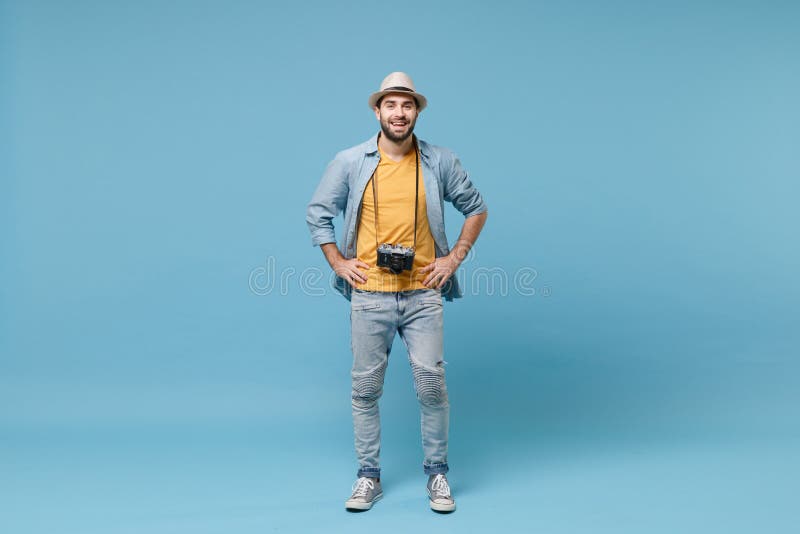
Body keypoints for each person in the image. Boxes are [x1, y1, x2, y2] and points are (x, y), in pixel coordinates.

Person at [306, 72, 488, 513]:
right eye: (391, 105)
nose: (399, 113)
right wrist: (338, 262)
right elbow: (318, 214)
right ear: (377, 111)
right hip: (370, 295)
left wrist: (452, 260)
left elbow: (476, 208)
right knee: (365, 389)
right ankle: (368, 476)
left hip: (423, 295)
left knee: (431, 386)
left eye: (407, 105)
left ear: (417, 111)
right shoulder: (350, 161)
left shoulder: (439, 161)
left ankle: (438, 473)